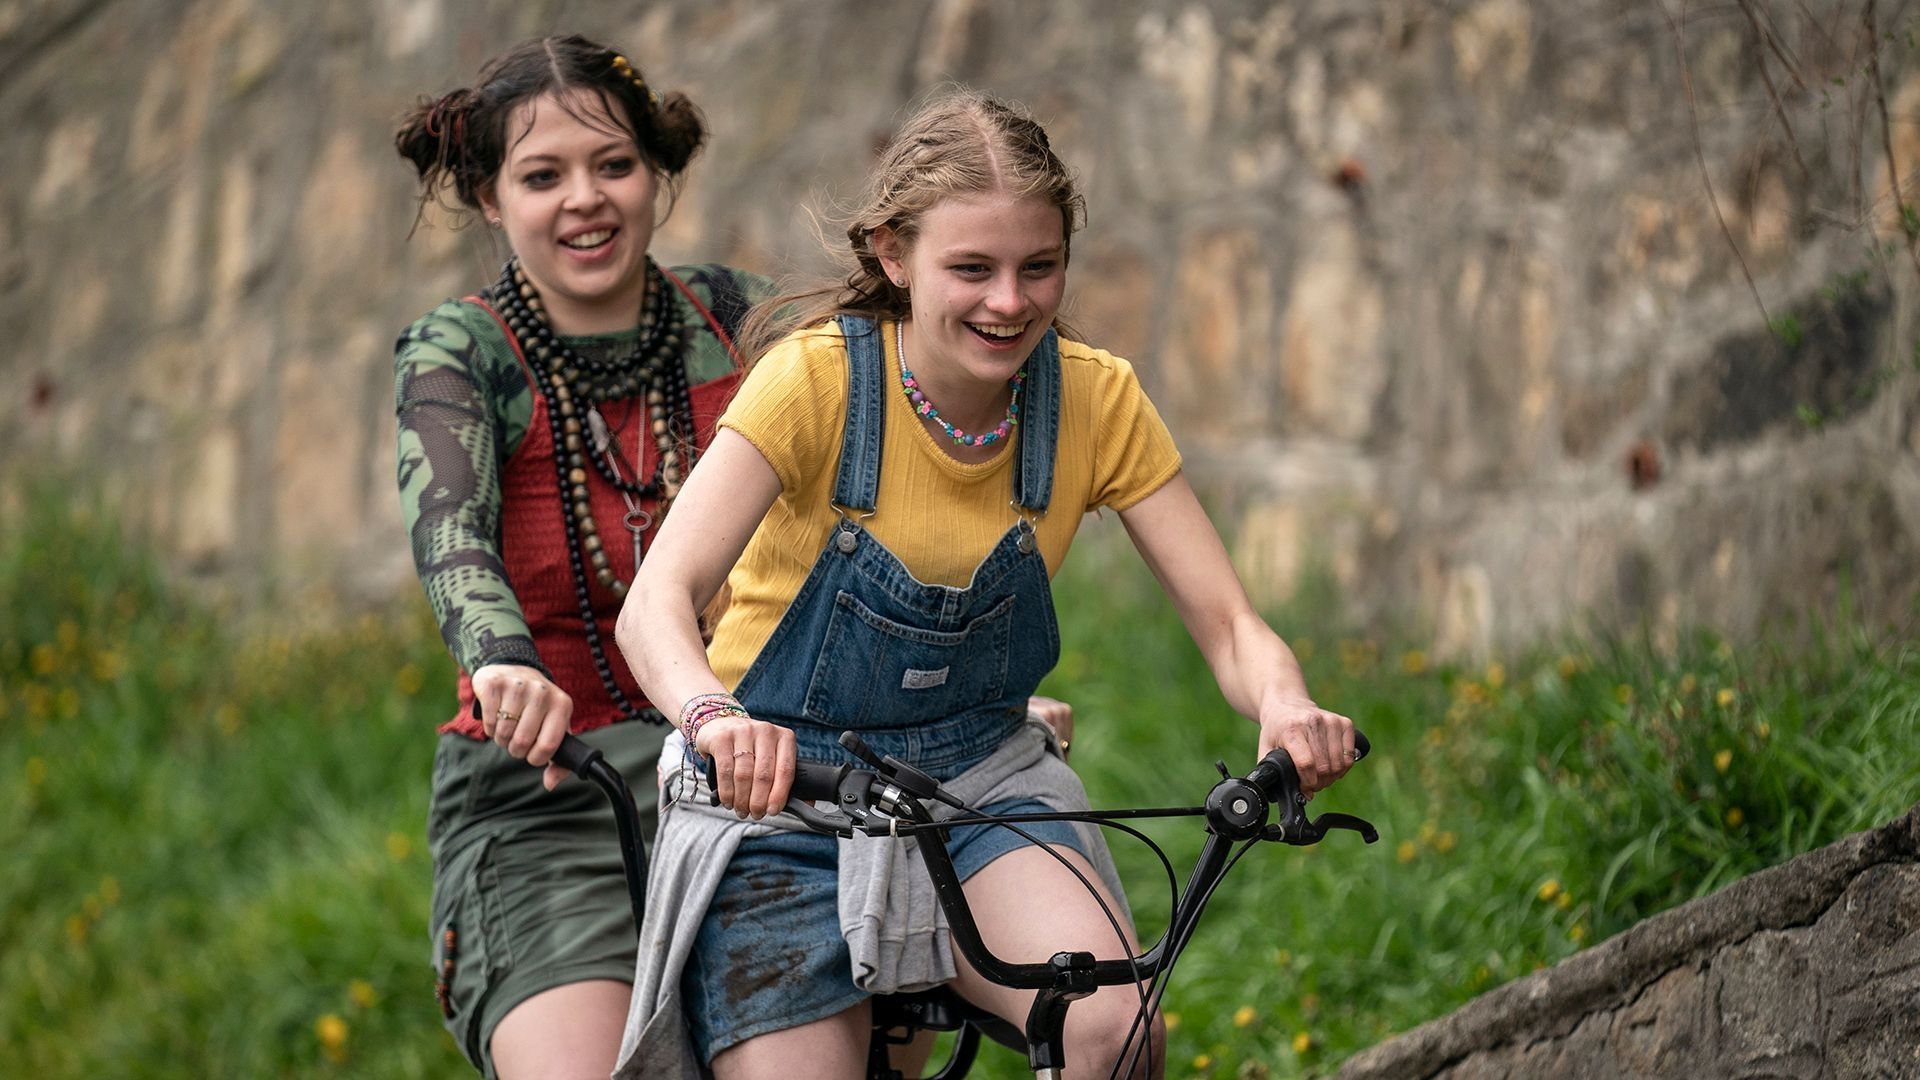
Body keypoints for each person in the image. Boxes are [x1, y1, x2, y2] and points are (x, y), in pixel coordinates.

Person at [614, 90, 1358, 1079]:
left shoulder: (1094, 398)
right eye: (972, 269)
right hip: (783, 795)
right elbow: (655, 604)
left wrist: (1284, 701)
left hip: (976, 784)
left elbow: (1229, 624)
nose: (1010, 302)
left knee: (1114, 1033)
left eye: (1038, 267)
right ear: (893, 255)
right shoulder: (815, 383)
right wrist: (714, 719)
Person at [390, 34, 775, 1079]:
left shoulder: (744, 320)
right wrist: (500, 659)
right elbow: (451, 530)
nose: (585, 200)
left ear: (655, 170)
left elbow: (877, 493)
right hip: (549, 793)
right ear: (488, 196)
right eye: (542, 176)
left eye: (613, 164)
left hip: (758, 771)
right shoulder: (459, 351)